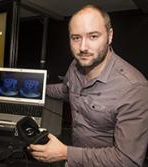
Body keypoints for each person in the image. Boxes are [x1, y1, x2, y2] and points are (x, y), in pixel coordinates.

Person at [28, 4, 148, 167]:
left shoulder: (134, 88)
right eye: (76, 37)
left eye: (93, 36)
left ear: (110, 35)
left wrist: (65, 153)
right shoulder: (75, 65)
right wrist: (39, 88)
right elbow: (65, 91)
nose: (83, 48)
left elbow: (128, 160)